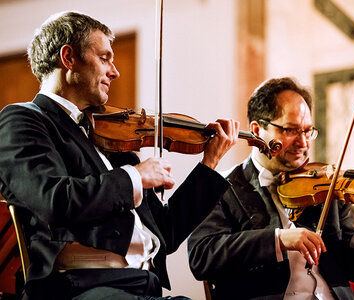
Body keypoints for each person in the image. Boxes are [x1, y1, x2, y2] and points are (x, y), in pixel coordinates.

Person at [0, 11, 240, 300]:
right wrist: (135, 177)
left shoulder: (109, 135)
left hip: (137, 284)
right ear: (68, 58)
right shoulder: (21, 120)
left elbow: (166, 231)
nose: (115, 71)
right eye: (104, 58)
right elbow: (53, 199)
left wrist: (210, 163)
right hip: (77, 288)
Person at [187, 77, 354, 300]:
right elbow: (202, 255)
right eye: (291, 130)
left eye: (307, 131)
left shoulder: (325, 184)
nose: (303, 142)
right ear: (257, 130)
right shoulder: (222, 187)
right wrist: (279, 239)